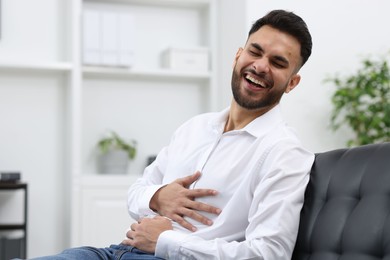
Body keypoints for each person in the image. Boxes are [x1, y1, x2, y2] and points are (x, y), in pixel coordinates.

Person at [30, 9, 314, 259]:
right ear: (238, 56)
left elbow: (268, 255)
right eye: (255, 51)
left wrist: (166, 241)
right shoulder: (194, 128)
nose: (260, 66)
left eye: (277, 63)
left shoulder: (283, 151)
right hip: (113, 251)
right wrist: (158, 197)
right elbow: (136, 193)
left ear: (292, 83)